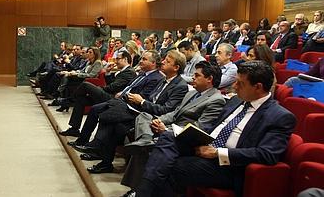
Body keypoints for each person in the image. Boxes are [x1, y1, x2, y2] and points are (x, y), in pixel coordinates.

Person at [134, 60, 296, 197]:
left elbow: (267, 154)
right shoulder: (236, 101)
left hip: (229, 165)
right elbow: (212, 126)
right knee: (167, 138)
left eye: (240, 83)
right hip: (206, 147)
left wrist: (217, 153)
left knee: (170, 166)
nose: (234, 86)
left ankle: (141, 193)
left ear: (258, 87)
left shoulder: (280, 116)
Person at [119, 61, 226, 197]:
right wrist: (159, 120)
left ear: (209, 79)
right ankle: (145, 139)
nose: (193, 78)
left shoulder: (216, 100)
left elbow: (199, 128)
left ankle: (139, 188)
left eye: (197, 75)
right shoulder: (191, 93)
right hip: (169, 126)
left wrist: (166, 130)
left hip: (182, 136)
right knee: (145, 116)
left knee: (150, 146)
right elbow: (174, 113)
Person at [76, 51, 188, 174]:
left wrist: (141, 102)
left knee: (112, 115)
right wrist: (139, 102)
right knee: (111, 114)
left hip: (152, 117)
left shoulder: (180, 86)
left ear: (176, 67)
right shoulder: (164, 80)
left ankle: (100, 152)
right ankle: (102, 158)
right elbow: (150, 98)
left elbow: (166, 110)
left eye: (167, 61)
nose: (163, 62)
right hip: (140, 110)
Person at [68, 51, 164, 148]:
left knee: (95, 102)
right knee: (89, 104)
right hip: (119, 99)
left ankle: (95, 145)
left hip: (129, 105)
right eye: (141, 58)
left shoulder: (154, 78)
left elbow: (140, 96)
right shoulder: (142, 74)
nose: (140, 61)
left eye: (144, 59)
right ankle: (82, 139)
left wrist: (123, 94)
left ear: (153, 63)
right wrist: (109, 75)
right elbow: (127, 86)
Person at [58, 51, 136, 137]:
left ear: (125, 59)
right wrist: (108, 73)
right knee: (81, 100)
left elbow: (112, 87)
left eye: (118, 59)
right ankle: (74, 129)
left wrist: (97, 89)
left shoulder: (129, 72)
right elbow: (111, 84)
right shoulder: (123, 71)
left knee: (85, 85)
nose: (115, 61)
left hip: (114, 99)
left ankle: (68, 101)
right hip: (109, 94)